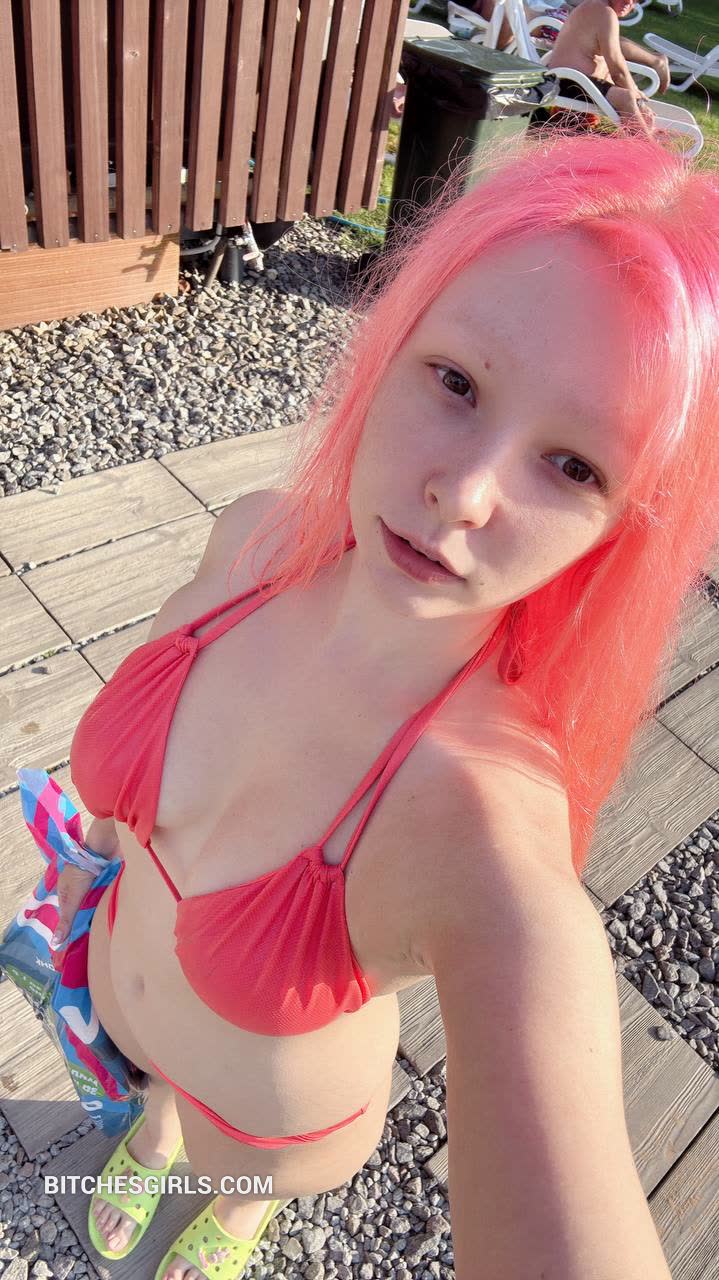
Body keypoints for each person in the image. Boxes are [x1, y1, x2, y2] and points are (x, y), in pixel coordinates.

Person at [53, 131, 719, 1280]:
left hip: (267, 1131)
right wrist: (91, 861)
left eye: (571, 466)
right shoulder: (250, 542)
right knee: (153, 1114)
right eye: (455, 381)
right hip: (119, 1012)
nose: (462, 494)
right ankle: (151, 1134)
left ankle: (235, 1209)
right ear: (393, 339)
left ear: (622, 527)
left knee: (232, 1174)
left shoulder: (484, 831)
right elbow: (126, 805)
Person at [545, 0, 670, 134]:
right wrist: (638, 102)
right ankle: (646, 145)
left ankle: (646, 137)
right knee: (625, 98)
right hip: (567, 81)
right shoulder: (604, 12)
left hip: (573, 80)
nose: (629, 2)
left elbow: (615, 62)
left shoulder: (598, 8)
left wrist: (637, 98)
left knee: (627, 97)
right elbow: (618, 72)